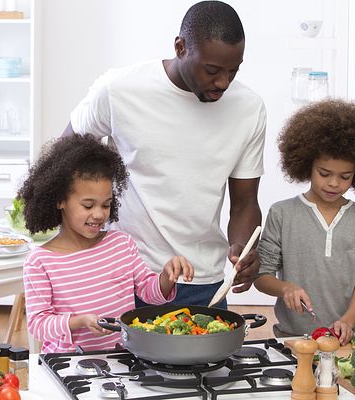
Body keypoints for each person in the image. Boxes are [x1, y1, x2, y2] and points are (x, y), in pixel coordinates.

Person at [62, 1, 266, 309]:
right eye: (212, 70)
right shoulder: (119, 89)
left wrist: (243, 247)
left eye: (233, 71)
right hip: (123, 273)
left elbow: (245, 202)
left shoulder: (249, 109)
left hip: (202, 281)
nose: (223, 82)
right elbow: (64, 159)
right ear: (181, 47)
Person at [19, 134, 194, 353]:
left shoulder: (120, 244)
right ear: (60, 200)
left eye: (106, 205)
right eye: (88, 205)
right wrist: (79, 321)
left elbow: (149, 293)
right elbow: (38, 325)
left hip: (121, 358)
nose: (99, 214)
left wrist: (167, 277)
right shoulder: (40, 261)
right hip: (68, 365)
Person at [254, 99, 355, 345]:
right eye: (324, 174)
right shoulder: (282, 214)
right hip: (292, 340)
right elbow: (262, 277)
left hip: (345, 340)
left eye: (344, 176)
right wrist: (286, 288)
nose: (334, 183)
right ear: (307, 165)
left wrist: (347, 321)